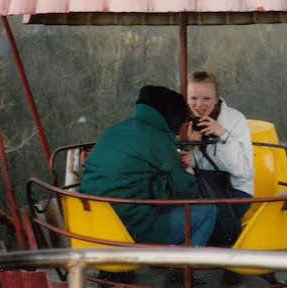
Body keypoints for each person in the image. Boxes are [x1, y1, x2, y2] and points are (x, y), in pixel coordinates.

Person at [79, 85, 217, 247]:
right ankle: (184, 269)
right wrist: (188, 171)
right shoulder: (158, 138)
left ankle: (117, 271)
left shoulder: (115, 130)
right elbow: (186, 191)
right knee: (208, 211)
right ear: (172, 116)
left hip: (93, 228)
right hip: (132, 235)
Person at [186, 70, 255, 218]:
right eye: (193, 98)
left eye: (206, 98)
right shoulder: (184, 122)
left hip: (234, 190)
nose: (199, 105)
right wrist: (191, 147)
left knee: (202, 217)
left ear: (216, 99)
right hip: (202, 187)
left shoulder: (235, 120)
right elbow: (189, 166)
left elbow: (242, 173)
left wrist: (224, 136)